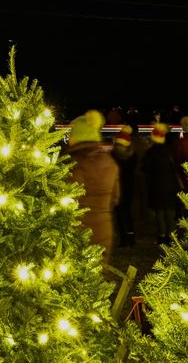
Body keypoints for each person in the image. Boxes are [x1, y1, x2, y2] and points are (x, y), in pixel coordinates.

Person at [64, 110, 120, 264]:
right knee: (100, 276)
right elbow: (115, 198)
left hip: (78, 230)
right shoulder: (109, 162)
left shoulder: (74, 164)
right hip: (104, 227)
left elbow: (68, 198)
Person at [141, 122, 181, 244]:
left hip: (156, 186)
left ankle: (161, 236)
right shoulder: (170, 150)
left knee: (159, 213)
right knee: (170, 212)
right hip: (170, 186)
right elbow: (176, 168)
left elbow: (145, 169)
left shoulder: (151, 152)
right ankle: (172, 238)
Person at [111, 124, 138, 247]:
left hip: (117, 186)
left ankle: (123, 239)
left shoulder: (113, 156)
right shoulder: (133, 155)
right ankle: (132, 237)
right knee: (128, 212)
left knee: (119, 213)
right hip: (130, 186)